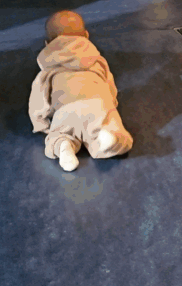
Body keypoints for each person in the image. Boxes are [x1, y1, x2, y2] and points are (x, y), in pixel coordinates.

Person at [29, 10, 133, 171]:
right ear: (86, 35)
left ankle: (64, 146)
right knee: (118, 136)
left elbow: (38, 97)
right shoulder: (97, 61)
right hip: (98, 106)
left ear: (47, 43)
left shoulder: (48, 70)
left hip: (65, 110)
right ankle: (107, 138)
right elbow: (109, 85)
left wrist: (40, 122)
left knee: (59, 136)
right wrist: (111, 104)